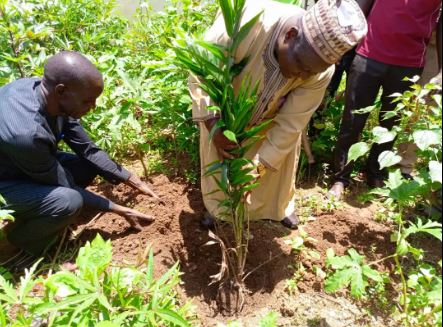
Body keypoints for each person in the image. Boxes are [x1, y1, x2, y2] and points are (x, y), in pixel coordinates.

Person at [190, 0, 367, 229]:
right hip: (226, 110)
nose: (301, 76)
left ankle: (278, 208)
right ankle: (219, 210)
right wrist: (214, 123)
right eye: (301, 64)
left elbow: (291, 124)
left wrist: (258, 168)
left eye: (311, 72)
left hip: (273, 114)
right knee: (221, 157)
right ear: (290, 35)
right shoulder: (243, 25)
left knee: (276, 167)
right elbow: (201, 73)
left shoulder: (320, 71)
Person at [0, 51, 160, 267]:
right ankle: (21, 242)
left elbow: (88, 150)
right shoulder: (26, 133)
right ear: (62, 91)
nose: (92, 107)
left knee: (87, 167)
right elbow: (64, 183)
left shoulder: (49, 95)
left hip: (23, 164)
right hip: (5, 182)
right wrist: (116, 208)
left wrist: (131, 179)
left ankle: (44, 215)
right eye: (88, 101)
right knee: (68, 201)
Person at [329, 0, 442, 199]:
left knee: (391, 124)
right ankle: (340, 177)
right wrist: (344, 42)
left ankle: (375, 172)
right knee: (353, 120)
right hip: (369, 53)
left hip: (409, 62)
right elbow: (362, 4)